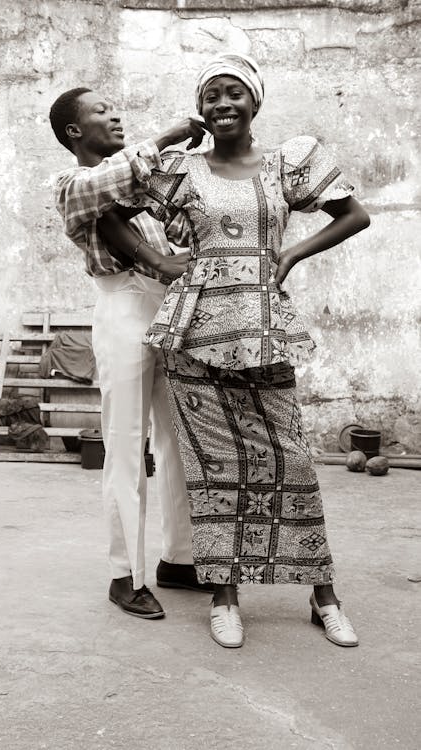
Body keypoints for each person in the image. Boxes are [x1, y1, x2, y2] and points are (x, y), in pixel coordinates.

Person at [118, 53, 370, 647]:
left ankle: (323, 595)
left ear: (256, 101)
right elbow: (104, 206)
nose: (222, 104)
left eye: (234, 93)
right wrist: (156, 259)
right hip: (194, 332)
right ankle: (225, 597)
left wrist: (290, 254)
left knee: (293, 460)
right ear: (200, 109)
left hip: (263, 328)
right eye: (211, 96)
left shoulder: (287, 164)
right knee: (214, 469)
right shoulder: (180, 170)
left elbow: (354, 215)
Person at [49, 87, 213, 620]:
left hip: (165, 312)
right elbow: (112, 181)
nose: (114, 113)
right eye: (100, 111)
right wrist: (164, 136)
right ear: (74, 132)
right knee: (124, 448)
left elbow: (164, 217)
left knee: (177, 441)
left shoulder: (137, 195)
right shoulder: (72, 185)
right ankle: (125, 575)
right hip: (121, 308)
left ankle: (179, 559)